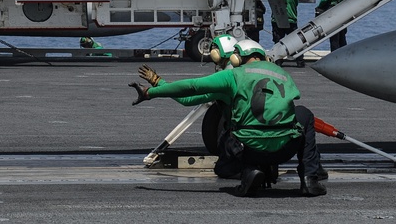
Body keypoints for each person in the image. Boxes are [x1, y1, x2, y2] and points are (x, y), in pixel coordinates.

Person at [129, 36, 326, 197]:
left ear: (236, 58)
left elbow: (190, 91)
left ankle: (249, 171)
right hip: (284, 149)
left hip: (250, 148)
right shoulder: (282, 73)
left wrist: (154, 88)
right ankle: (310, 176)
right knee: (304, 115)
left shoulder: (231, 76)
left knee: (224, 157)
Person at [272, 0, 304, 67]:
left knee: (278, 41)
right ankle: (300, 60)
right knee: (296, 40)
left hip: (277, 19)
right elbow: (295, 4)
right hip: (291, 19)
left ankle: (278, 60)